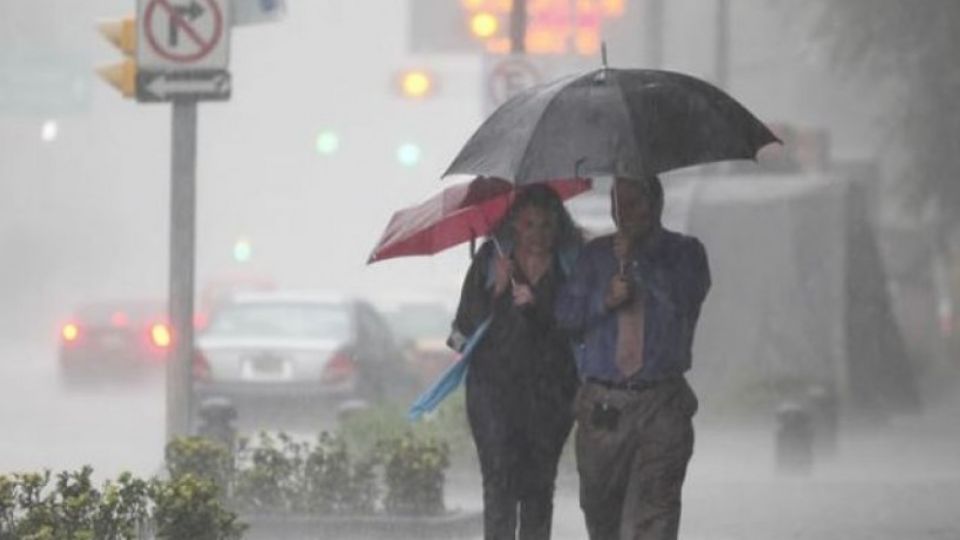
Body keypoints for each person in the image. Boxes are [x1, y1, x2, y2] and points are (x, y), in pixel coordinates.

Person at [555, 175, 711, 540]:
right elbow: (566, 316)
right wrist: (604, 301)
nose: (625, 214)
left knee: (656, 509)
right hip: (603, 403)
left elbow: (685, 301)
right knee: (600, 508)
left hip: (661, 399)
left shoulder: (685, 252)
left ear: (655, 204)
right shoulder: (594, 256)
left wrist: (638, 265)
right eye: (618, 204)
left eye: (635, 203)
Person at [448, 184, 582, 540]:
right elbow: (462, 332)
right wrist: (496, 290)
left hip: (551, 394)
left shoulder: (572, 267)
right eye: (529, 225)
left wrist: (540, 308)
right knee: (498, 481)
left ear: (559, 227)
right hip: (493, 393)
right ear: (514, 226)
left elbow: (581, 326)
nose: (537, 235)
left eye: (546, 225)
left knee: (540, 484)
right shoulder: (490, 262)